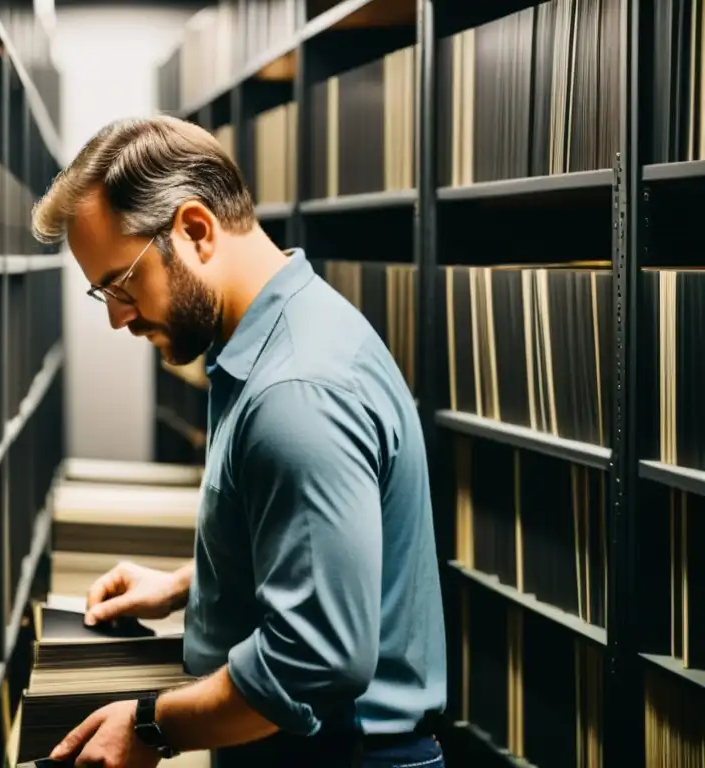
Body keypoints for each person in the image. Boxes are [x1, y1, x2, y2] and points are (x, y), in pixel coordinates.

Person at [29, 115, 447, 768]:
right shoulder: (290, 331)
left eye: (121, 282)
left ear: (195, 231)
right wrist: (191, 586)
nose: (116, 317)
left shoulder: (297, 392)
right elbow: (320, 557)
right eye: (101, 293)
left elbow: (312, 660)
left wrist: (148, 726)